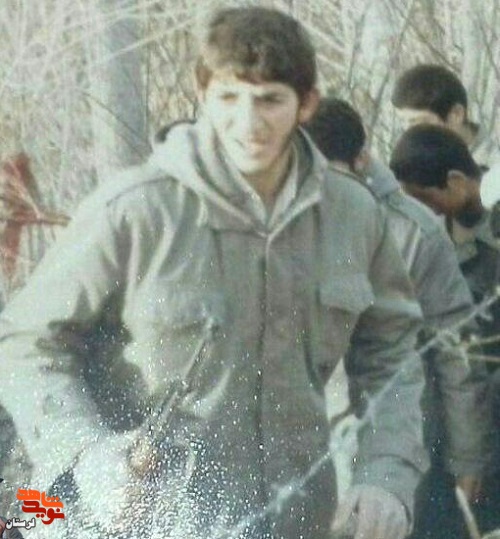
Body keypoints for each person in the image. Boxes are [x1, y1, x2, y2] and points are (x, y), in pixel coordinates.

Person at [0, 7, 428, 539]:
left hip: (298, 519)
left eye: (269, 100)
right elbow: (26, 342)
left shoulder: (353, 215)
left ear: (306, 103)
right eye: (229, 98)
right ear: (202, 93)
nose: (249, 124)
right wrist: (86, 455)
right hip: (146, 520)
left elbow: (393, 353)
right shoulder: (136, 210)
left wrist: (385, 474)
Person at [307, 98, 492, 539]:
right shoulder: (284, 223)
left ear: (361, 160)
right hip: (309, 444)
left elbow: (457, 354)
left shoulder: (416, 232)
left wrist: (468, 460)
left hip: (400, 441)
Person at [390, 123, 500, 536]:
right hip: (464, 421)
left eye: (426, 200)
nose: (424, 213)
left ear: (455, 181)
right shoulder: (437, 237)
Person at [391, 64, 500, 169]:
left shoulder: (493, 170)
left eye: (418, 124)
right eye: (404, 124)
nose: (409, 135)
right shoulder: (417, 165)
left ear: (456, 115)